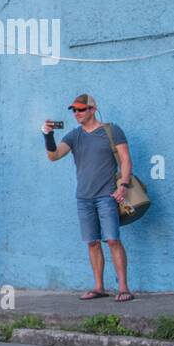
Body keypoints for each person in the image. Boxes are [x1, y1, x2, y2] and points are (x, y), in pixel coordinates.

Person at [43, 94, 134, 302]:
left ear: (92, 109)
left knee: (112, 240)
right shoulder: (74, 136)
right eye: (74, 110)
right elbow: (54, 156)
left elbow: (126, 160)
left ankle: (123, 288)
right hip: (83, 198)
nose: (76, 114)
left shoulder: (111, 131)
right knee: (92, 243)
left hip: (107, 195)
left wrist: (124, 185)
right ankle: (99, 287)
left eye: (81, 110)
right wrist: (47, 136)